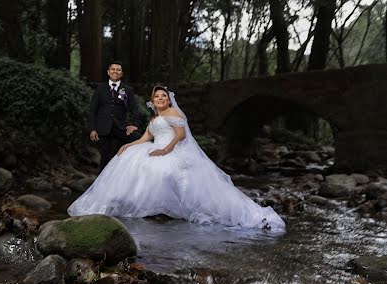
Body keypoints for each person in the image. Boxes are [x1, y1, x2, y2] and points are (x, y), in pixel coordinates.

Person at [69, 85, 286, 231]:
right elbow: (146, 137)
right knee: (128, 159)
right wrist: (128, 144)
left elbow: (181, 136)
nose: (161, 99)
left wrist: (164, 151)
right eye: (157, 96)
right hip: (154, 146)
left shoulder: (174, 114)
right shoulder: (155, 117)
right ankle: (132, 208)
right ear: (152, 100)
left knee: (164, 170)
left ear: (168, 100)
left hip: (173, 149)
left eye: (164, 96)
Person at [89, 62, 142, 172]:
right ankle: (101, 185)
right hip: (103, 127)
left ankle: (132, 172)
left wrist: (134, 125)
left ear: (121, 73)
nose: (115, 71)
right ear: (108, 72)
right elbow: (93, 110)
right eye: (113, 69)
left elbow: (134, 109)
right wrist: (92, 129)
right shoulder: (100, 89)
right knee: (105, 157)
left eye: (118, 70)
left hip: (121, 126)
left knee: (139, 139)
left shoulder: (127, 89)